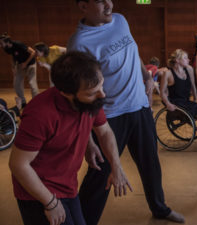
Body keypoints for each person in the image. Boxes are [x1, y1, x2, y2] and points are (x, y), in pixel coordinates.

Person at [68, 0, 184, 224]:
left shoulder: (121, 21)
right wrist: (88, 142)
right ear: (83, 6)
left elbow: (133, 50)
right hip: (109, 117)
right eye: (100, 1)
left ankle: (159, 208)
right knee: (100, 175)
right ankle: (84, 220)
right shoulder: (80, 42)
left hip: (139, 107)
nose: (108, 4)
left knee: (151, 164)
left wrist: (147, 75)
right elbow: (78, 93)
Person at [8, 51, 132, 225]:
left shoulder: (91, 100)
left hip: (67, 186)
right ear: (66, 93)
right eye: (91, 93)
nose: (102, 95)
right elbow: (18, 164)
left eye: (101, 86)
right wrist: (50, 203)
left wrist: (116, 166)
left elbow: (104, 132)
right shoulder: (40, 114)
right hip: (37, 192)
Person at [160, 49, 197, 145]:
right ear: (177, 60)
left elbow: (193, 86)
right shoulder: (168, 73)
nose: (188, 60)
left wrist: (195, 99)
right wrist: (168, 104)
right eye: (185, 58)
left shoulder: (189, 69)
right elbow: (162, 92)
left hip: (186, 102)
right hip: (176, 103)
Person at [0, 33, 39, 107]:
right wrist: (13, 67)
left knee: (32, 83)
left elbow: (33, 52)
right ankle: (23, 102)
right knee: (16, 84)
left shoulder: (18, 44)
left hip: (31, 64)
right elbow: (13, 56)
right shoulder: (6, 48)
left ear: (7, 42)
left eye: (1, 43)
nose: (0, 45)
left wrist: (25, 63)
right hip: (20, 65)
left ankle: (37, 102)